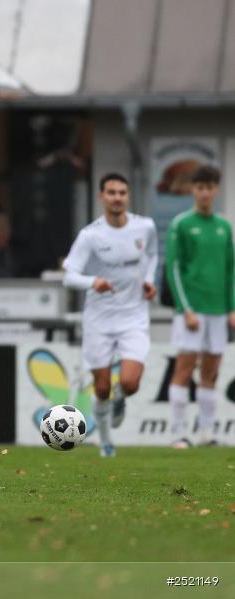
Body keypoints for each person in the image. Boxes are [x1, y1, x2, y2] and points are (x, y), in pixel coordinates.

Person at [62, 173, 157, 458]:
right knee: (101, 387)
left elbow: (152, 255)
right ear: (101, 197)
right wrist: (94, 282)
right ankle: (105, 441)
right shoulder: (91, 235)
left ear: (128, 196)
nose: (117, 197)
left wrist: (150, 280)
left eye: (122, 192)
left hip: (134, 316)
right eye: (111, 192)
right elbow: (68, 277)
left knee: (129, 382)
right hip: (99, 319)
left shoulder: (145, 227)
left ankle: (122, 398)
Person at [165, 164, 234, 448]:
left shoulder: (224, 226)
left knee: (212, 371)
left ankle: (207, 433)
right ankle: (178, 433)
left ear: (216, 190)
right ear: (193, 190)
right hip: (191, 310)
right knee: (184, 368)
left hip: (218, 310)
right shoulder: (181, 224)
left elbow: (231, 270)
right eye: (200, 187)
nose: (205, 193)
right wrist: (185, 308)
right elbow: (174, 268)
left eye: (209, 188)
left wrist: (232, 308)